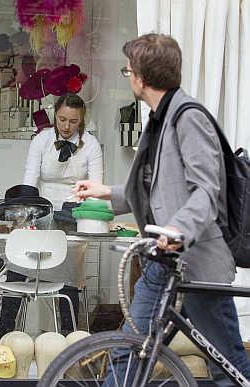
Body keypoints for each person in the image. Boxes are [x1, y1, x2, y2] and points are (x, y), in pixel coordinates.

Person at [73, 33, 250, 385]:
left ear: (141, 77)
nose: (128, 78)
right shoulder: (160, 118)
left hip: (196, 264)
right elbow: (159, 188)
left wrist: (177, 229)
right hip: (162, 261)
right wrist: (107, 192)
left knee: (227, 368)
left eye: (127, 72)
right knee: (128, 349)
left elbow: (207, 189)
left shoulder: (188, 118)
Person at [0, 93, 103, 342]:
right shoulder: (42, 140)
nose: (66, 126)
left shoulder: (92, 145)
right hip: (39, 211)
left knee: (68, 279)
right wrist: (24, 217)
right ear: (55, 115)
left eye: (73, 122)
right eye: (62, 119)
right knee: (18, 269)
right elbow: (29, 180)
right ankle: (3, 337)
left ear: (81, 120)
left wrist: (85, 211)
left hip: (74, 215)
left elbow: (96, 187)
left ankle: (69, 339)